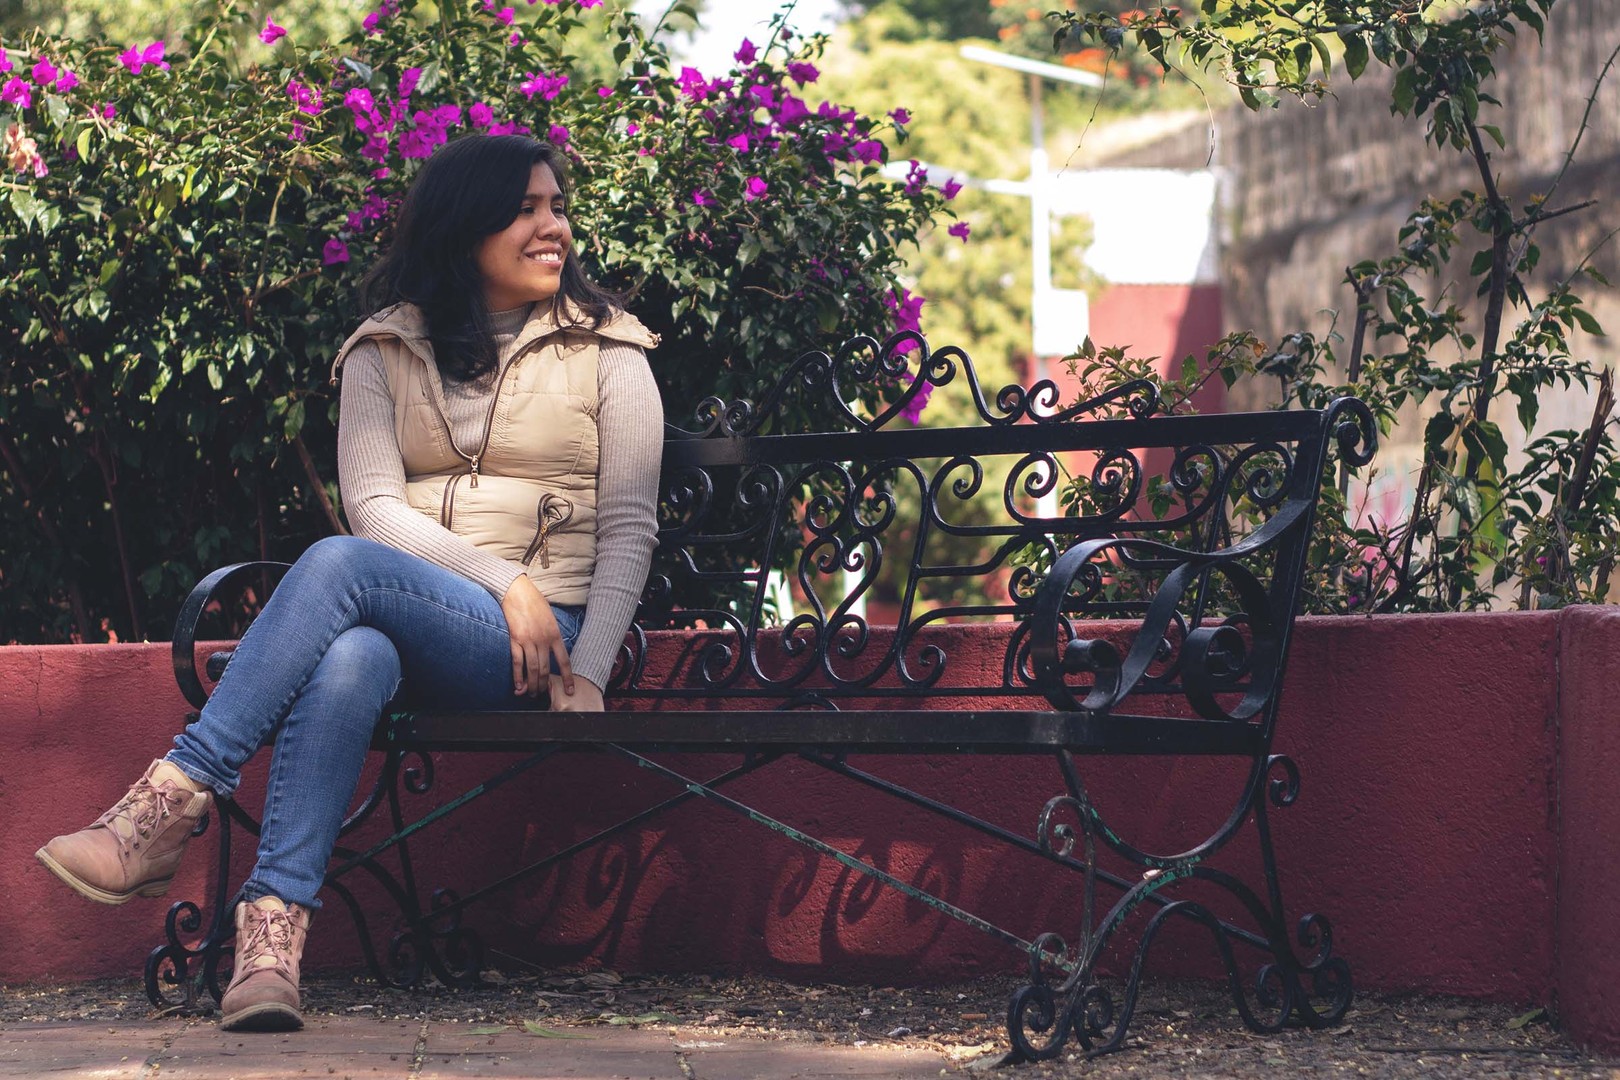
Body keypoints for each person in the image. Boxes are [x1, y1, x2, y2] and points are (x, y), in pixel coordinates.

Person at [34, 133, 663, 1033]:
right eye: (525, 209)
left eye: (557, 206)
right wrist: (498, 578)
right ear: (464, 228)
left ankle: (170, 803)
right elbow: (374, 509)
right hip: (429, 620)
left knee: (336, 566)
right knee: (352, 658)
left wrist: (589, 669)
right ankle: (271, 943)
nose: (552, 225)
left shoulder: (612, 351)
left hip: (536, 643)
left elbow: (631, 526)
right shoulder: (383, 352)